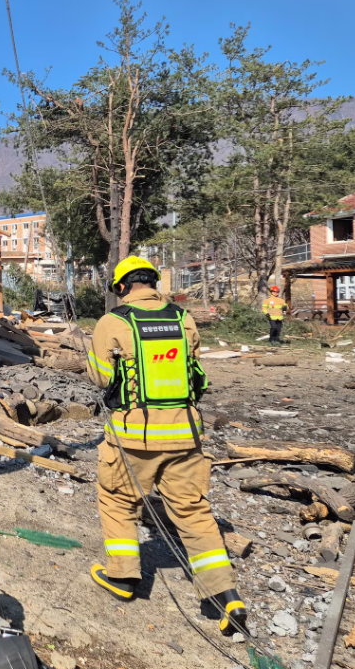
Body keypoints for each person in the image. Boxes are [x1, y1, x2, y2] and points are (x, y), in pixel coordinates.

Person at [85, 256, 247, 635]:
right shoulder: (183, 318)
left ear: (122, 287)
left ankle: (123, 577)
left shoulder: (113, 322)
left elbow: (100, 377)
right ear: (154, 283)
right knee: (193, 512)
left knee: (118, 499)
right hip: (185, 434)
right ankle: (224, 597)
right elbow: (192, 369)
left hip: (134, 436)